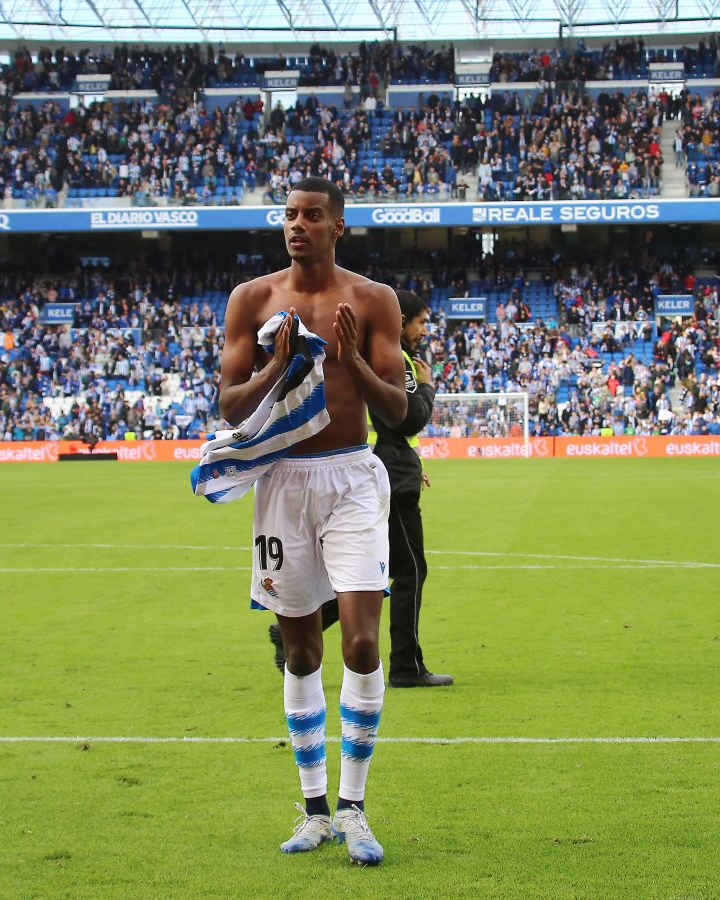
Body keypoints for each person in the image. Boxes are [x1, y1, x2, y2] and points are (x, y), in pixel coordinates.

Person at [218, 177, 406, 866]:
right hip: (282, 484)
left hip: (353, 478)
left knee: (359, 643)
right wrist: (277, 366)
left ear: (338, 226)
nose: (297, 225)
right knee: (299, 652)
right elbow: (231, 408)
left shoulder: (373, 300)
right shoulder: (252, 300)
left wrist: (349, 358)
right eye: (289, 215)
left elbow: (396, 412)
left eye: (312, 215)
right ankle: (314, 810)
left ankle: (355, 810)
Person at [268, 290, 454, 688]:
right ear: (401, 320)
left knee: (372, 575)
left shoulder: (367, 354)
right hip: (386, 478)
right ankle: (406, 665)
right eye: (421, 322)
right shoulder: (398, 358)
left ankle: (296, 630)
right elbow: (406, 419)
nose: (423, 331)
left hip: (378, 469)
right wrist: (426, 387)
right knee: (409, 571)